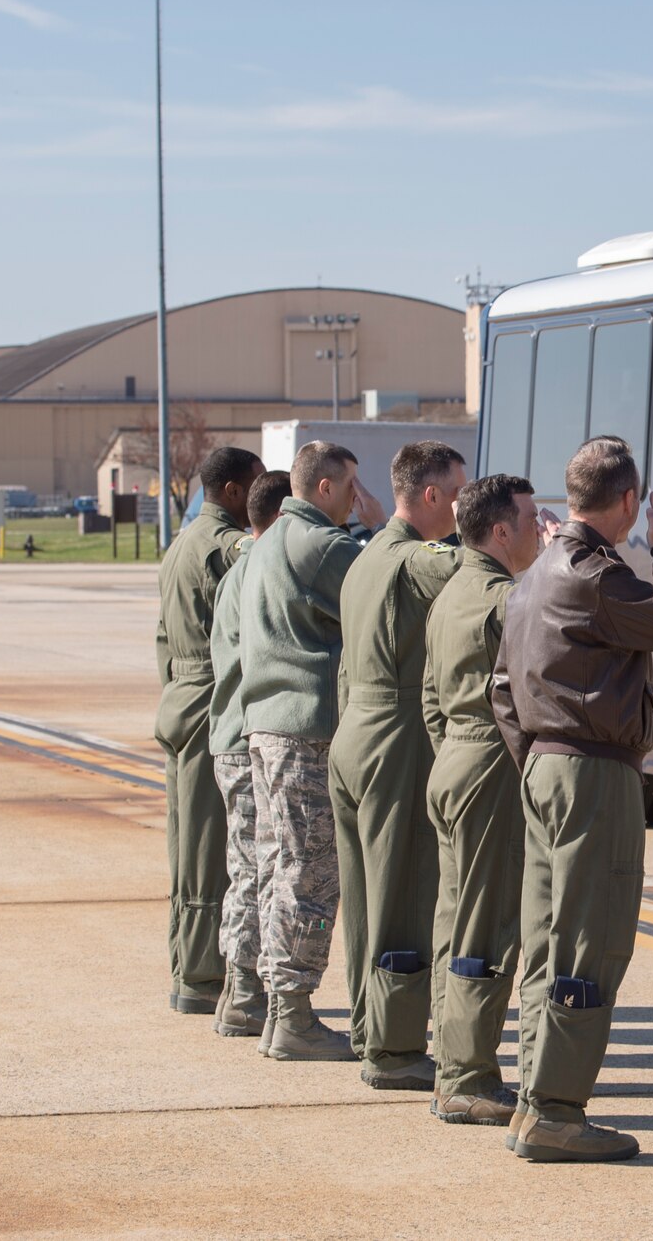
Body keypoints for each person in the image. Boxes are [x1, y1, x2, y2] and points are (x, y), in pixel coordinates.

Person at [491, 436, 653, 1163]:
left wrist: (536, 759)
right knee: (592, 938)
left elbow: (500, 689)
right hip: (593, 772)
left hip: (546, 769)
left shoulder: (531, 575)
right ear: (626, 502)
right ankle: (556, 1109)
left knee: (549, 936)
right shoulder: (595, 573)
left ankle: (533, 1100)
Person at [237, 441, 387, 1060]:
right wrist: (379, 527)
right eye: (351, 485)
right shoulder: (321, 544)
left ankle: (276, 1007)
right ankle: (292, 1014)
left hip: (268, 724)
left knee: (278, 865)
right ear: (323, 489)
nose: (357, 496)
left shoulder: (270, 539)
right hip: (307, 729)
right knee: (310, 872)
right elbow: (385, 589)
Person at [328, 440, 469, 1091]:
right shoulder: (416, 560)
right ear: (433, 496)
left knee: (363, 898)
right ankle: (394, 1047)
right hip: (395, 737)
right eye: (460, 494)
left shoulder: (365, 555)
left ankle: (369, 1025)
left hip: (353, 731)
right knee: (403, 894)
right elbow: (475, 572)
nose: (465, 505)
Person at [425, 474, 552, 1125]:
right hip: (490, 770)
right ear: (499, 529)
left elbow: (429, 696)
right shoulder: (505, 598)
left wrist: (456, 749)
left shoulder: (451, 592)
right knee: (487, 927)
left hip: (453, 760)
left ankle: (449, 1055)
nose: (540, 527)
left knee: (455, 919)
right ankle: (467, 1075)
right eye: (532, 518)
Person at [153, 445, 263, 1013]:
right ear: (233, 492)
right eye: (256, 486)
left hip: (178, 695)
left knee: (185, 840)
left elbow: (162, 639)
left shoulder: (180, 543)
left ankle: (187, 963)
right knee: (207, 843)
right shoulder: (226, 547)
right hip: (205, 699)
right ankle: (199, 975)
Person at [204, 468, 289, 1039]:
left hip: (234, 736)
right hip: (244, 738)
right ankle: (241, 991)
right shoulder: (257, 568)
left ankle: (240, 989)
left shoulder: (242, 569)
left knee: (248, 868)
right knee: (255, 869)